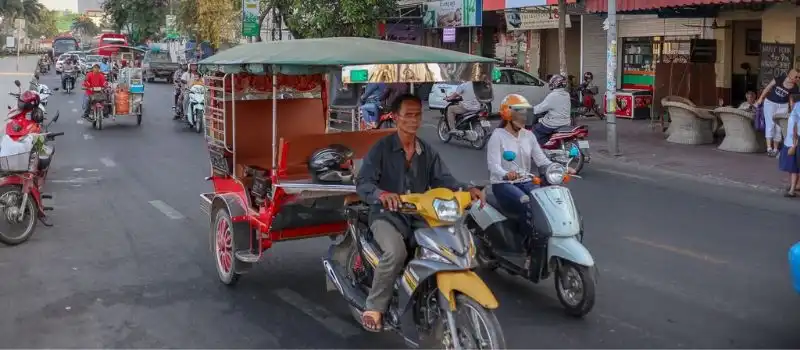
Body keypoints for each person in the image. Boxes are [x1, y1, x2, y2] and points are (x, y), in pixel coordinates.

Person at [355, 94, 484, 332]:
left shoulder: (426, 151)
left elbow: (445, 179)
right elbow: (363, 183)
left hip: (418, 215)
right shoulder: (382, 149)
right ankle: (374, 306)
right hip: (386, 215)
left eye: (418, 115)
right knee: (396, 252)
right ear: (395, 118)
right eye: (408, 115)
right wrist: (382, 195)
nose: (414, 120)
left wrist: (468, 189)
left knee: (445, 245)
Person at [487, 94, 575, 240]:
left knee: (544, 202)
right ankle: (523, 243)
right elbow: (493, 165)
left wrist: (561, 168)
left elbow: (542, 160)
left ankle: (543, 238)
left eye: (525, 114)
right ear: (508, 114)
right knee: (526, 202)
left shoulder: (529, 136)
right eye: (519, 114)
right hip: (503, 184)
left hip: (526, 181)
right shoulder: (498, 136)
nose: (523, 118)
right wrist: (505, 174)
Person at [757, 69, 799, 157]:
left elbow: (792, 100)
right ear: (790, 75)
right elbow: (768, 87)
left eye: (799, 77)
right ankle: (769, 148)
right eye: (796, 76)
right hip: (770, 103)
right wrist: (761, 98)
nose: (797, 78)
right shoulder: (779, 78)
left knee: (779, 128)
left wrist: (792, 111)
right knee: (770, 125)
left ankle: (775, 149)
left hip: (783, 105)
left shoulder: (795, 87)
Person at [532, 74, 572, 145]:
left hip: (554, 124)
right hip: (566, 122)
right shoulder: (567, 94)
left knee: (535, 130)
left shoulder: (553, 96)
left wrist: (530, 109)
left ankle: (537, 150)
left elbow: (539, 108)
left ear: (554, 83)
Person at [780, 101, 800, 197]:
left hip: (793, 143)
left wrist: (794, 145)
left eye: (791, 102)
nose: (790, 104)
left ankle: (792, 189)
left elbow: (795, 129)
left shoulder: (797, 109)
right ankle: (794, 186)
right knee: (791, 168)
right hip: (789, 142)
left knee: (793, 168)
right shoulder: (794, 111)